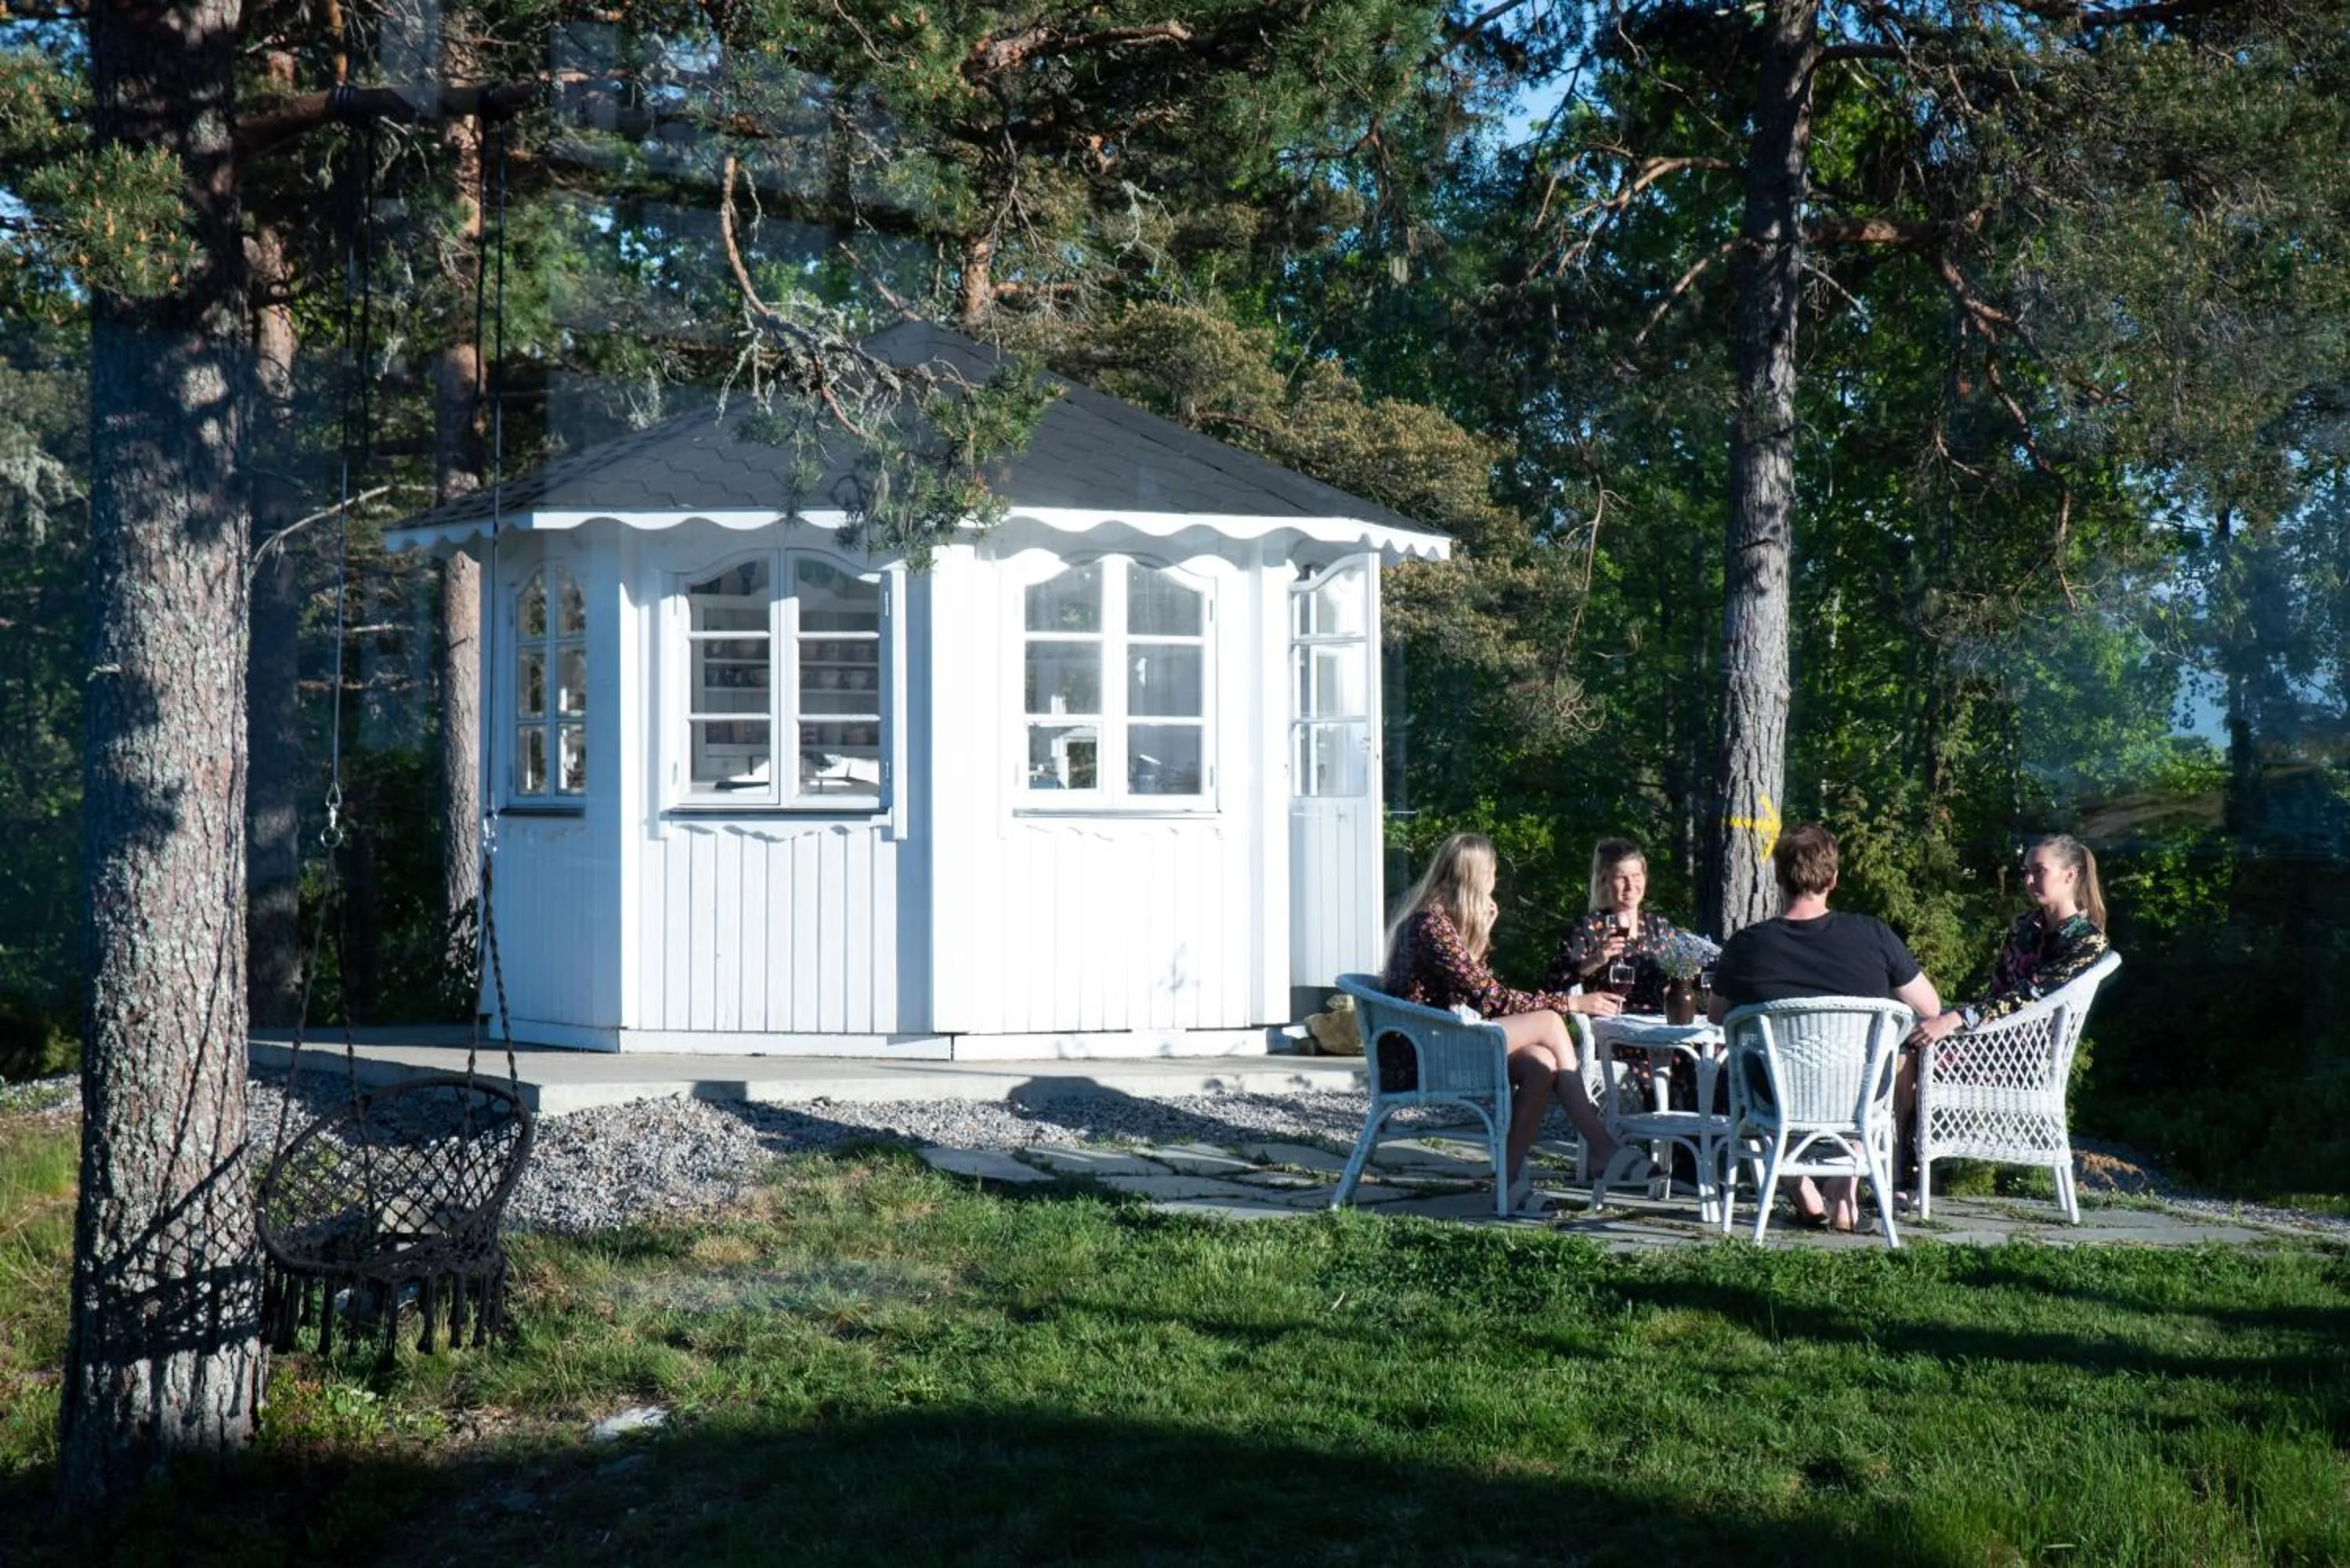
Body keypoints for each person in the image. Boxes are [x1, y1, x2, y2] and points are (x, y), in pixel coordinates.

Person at [1708, 822, 1942, 1231]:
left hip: (1777, 1097)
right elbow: (1929, 1005)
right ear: (1833, 878)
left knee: (1740, 1079)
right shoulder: (1873, 935)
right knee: (1868, 1077)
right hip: (1860, 1095)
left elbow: (1716, 1015)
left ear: (1778, 876)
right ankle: (1842, 1188)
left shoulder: (1748, 945)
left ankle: (1803, 1191)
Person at [1382, 833, 1627, 1212]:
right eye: (1493, 873)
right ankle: (1601, 1146)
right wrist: (1573, 1001)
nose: (1495, 881)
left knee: (1540, 1064)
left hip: (1438, 1043)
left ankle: (1510, 1183)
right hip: (1420, 1055)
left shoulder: (1439, 922)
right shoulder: (1430, 926)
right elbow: (1491, 1000)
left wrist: (1482, 936)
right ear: (1477, 877)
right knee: (1549, 1022)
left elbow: (1479, 993)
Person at [1896, 833, 2113, 1184]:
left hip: (2020, 1058)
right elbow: (1995, 992)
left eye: (2039, 871)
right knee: (1904, 1037)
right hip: (1988, 1040)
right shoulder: (2025, 927)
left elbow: (2031, 997)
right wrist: (1947, 1020)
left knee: (1911, 1053)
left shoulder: (2086, 941)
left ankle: (1898, 1175)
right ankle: (1893, 1169)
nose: (2028, 881)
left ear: (2071, 875)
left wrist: (1955, 1020)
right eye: (2025, 872)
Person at [1544, 837, 1689, 1014]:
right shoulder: (1589, 928)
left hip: (1661, 1022)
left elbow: (1690, 966)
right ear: (1605, 881)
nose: (1630, 886)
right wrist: (1596, 959)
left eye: (1636, 876)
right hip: (1612, 1026)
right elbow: (1554, 984)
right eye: (1621, 878)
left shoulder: (1658, 927)